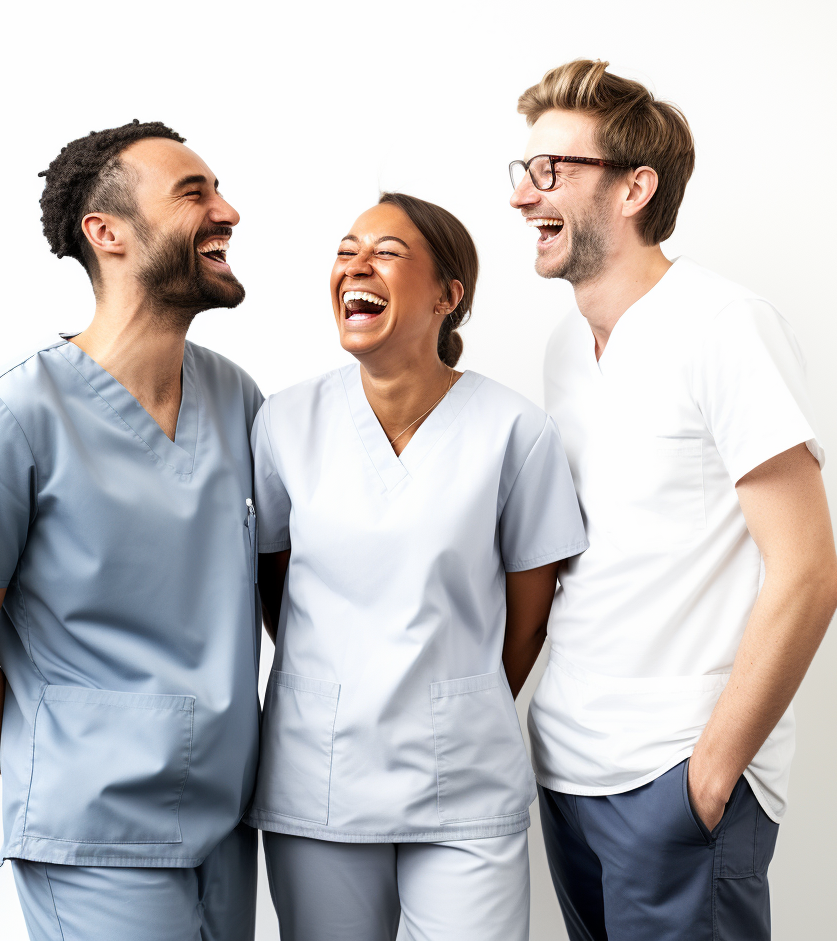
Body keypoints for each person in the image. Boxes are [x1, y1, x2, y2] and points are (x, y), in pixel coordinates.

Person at [509, 60, 837, 941]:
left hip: (677, 777)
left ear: (634, 188)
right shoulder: (564, 348)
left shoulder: (724, 324)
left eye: (552, 171)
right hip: (571, 771)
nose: (522, 196)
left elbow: (809, 573)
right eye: (523, 170)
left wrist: (710, 773)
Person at [0, 121, 263, 941]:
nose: (228, 211)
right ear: (106, 235)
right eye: (194, 193)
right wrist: (66, 768)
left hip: (226, 824)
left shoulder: (236, 399)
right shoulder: (13, 415)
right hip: (98, 840)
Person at [246, 192, 587, 941]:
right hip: (321, 775)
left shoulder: (514, 431)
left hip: (461, 779)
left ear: (447, 295)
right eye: (346, 249)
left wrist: (453, 699)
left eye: (387, 253)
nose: (356, 266)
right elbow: (276, 585)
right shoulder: (283, 421)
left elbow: (529, 618)